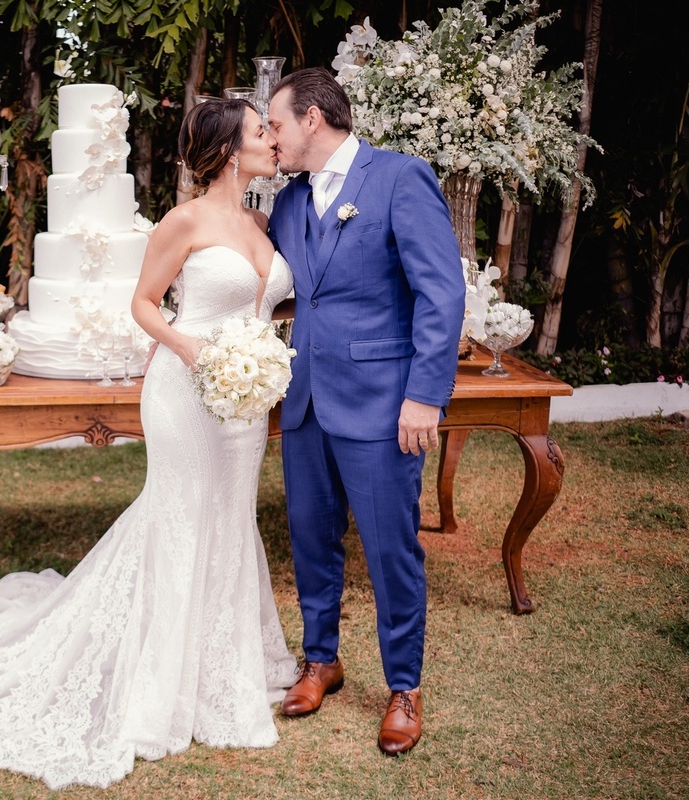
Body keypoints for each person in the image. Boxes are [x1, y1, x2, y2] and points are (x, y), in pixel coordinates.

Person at [0, 98, 300, 790]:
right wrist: (194, 351)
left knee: (231, 518)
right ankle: (163, 681)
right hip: (185, 390)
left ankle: (222, 667)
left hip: (244, 399)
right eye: (259, 131)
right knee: (181, 516)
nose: (271, 138)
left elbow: (271, 301)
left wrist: (259, 355)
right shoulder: (184, 221)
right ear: (229, 149)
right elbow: (144, 304)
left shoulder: (265, 222)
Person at [264, 67, 465, 756]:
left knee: (388, 550)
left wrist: (424, 396)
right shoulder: (289, 203)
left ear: (313, 119)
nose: (271, 139)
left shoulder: (399, 178)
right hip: (306, 402)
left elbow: (441, 293)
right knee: (310, 539)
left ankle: (404, 687)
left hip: (385, 405)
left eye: (276, 125)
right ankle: (322, 660)